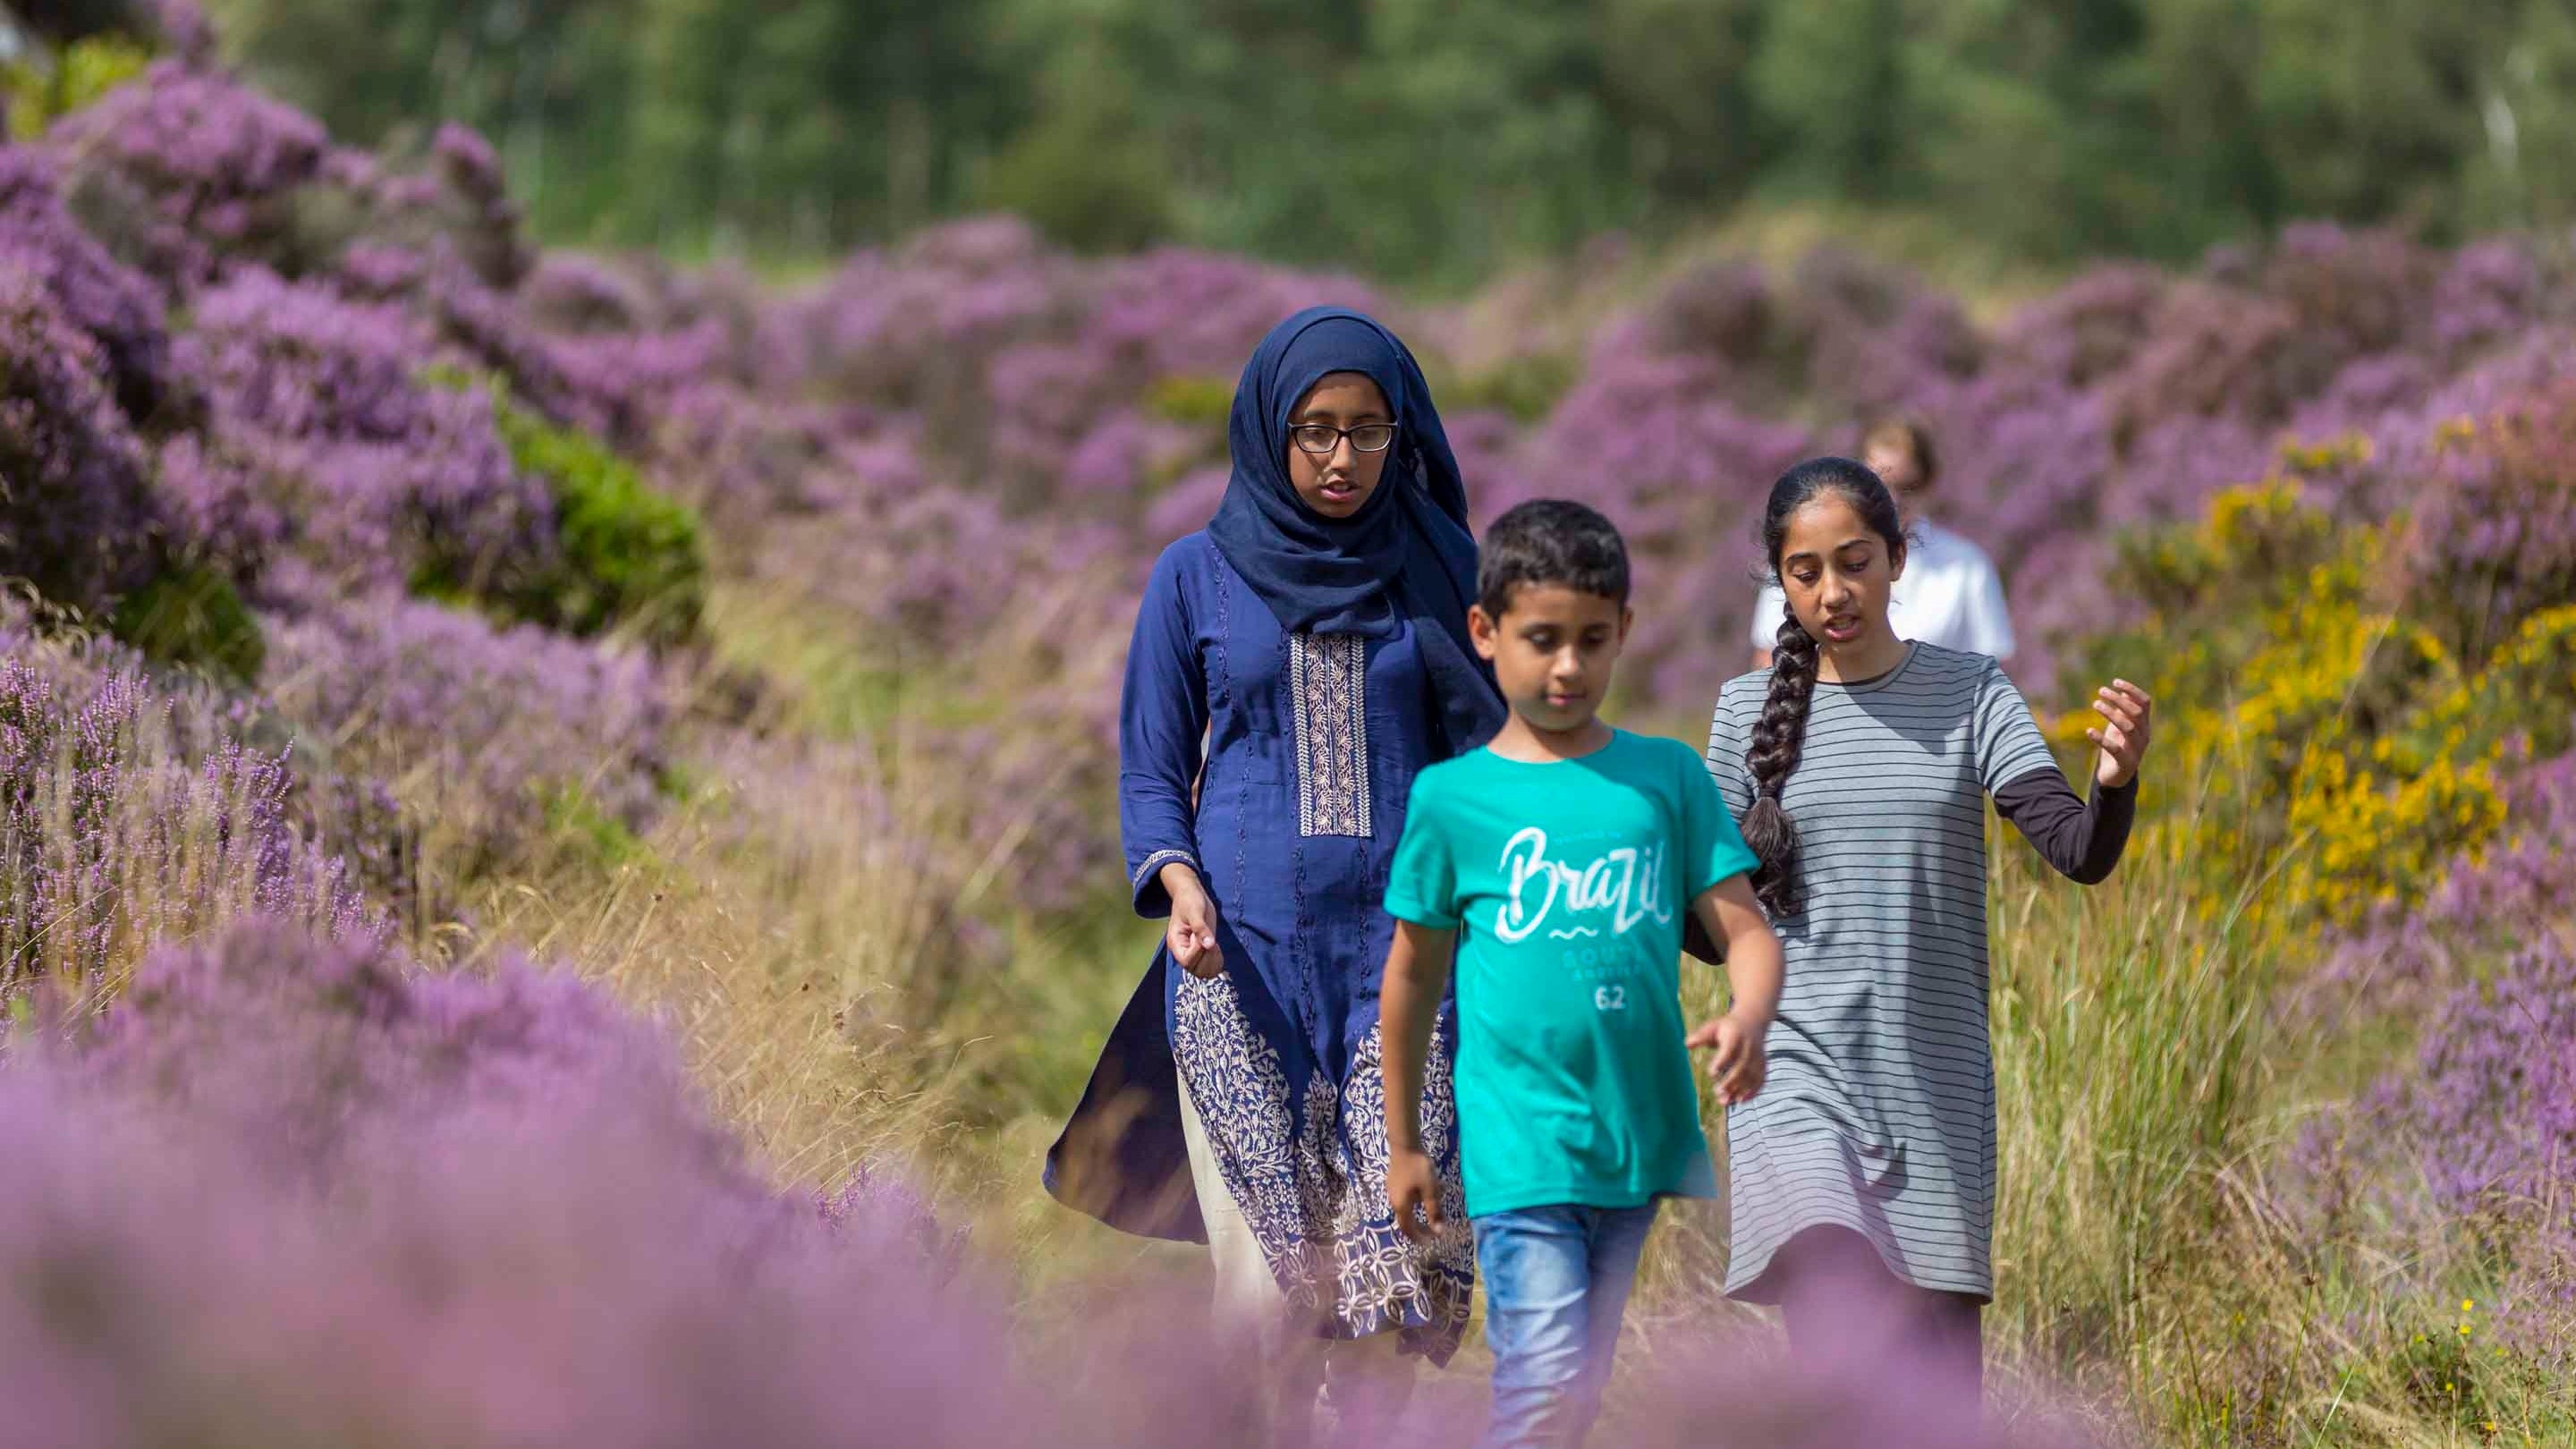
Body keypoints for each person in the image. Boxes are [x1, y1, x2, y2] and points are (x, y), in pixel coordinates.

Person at [1045, 306, 1508, 1448]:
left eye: (1367, 432)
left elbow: (1498, 760)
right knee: (1262, 1302)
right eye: (1314, 431)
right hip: (1237, 974)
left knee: (1388, 1292)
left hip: (1412, 983)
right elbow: (1152, 767)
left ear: (1405, 436)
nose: (1341, 459)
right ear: (1267, 430)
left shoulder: (1446, 576)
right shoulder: (1193, 578)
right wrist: (1176, 881)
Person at [1707, 457, 2152, 1409]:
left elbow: (2076, 851)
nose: (1835, 591)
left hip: (1931, 1091)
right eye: (1806, 570)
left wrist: (2114, 781)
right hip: (1792, 1082)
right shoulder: (1744, 714)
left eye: (1856, 562)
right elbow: (1710, 925)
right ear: (1779, 579)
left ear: (1900, 560)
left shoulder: (1972, 692)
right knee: (1837, 1373)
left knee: (1937, 1407)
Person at [1378, 500, 1786, 1449]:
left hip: (1636, 1140)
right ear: (1485, 634)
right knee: (1545, 1384)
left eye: (1591, 640)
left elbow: (1747, 932)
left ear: (1624, 635)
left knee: (1578, 1389)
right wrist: (1406, 1144)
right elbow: (1411, 981)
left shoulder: (1667, 779)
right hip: (1520, 1143)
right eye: (1542, 640)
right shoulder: (1452, 799)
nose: (1568, 666)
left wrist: (1750, 1014)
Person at [1750, 418, 2012, 671]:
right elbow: (1768, 660)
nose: (1893, 499)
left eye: (1907, 486)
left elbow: (1990, 671)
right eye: (1879, 484)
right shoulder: (1800, 553)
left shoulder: (1967, 567)